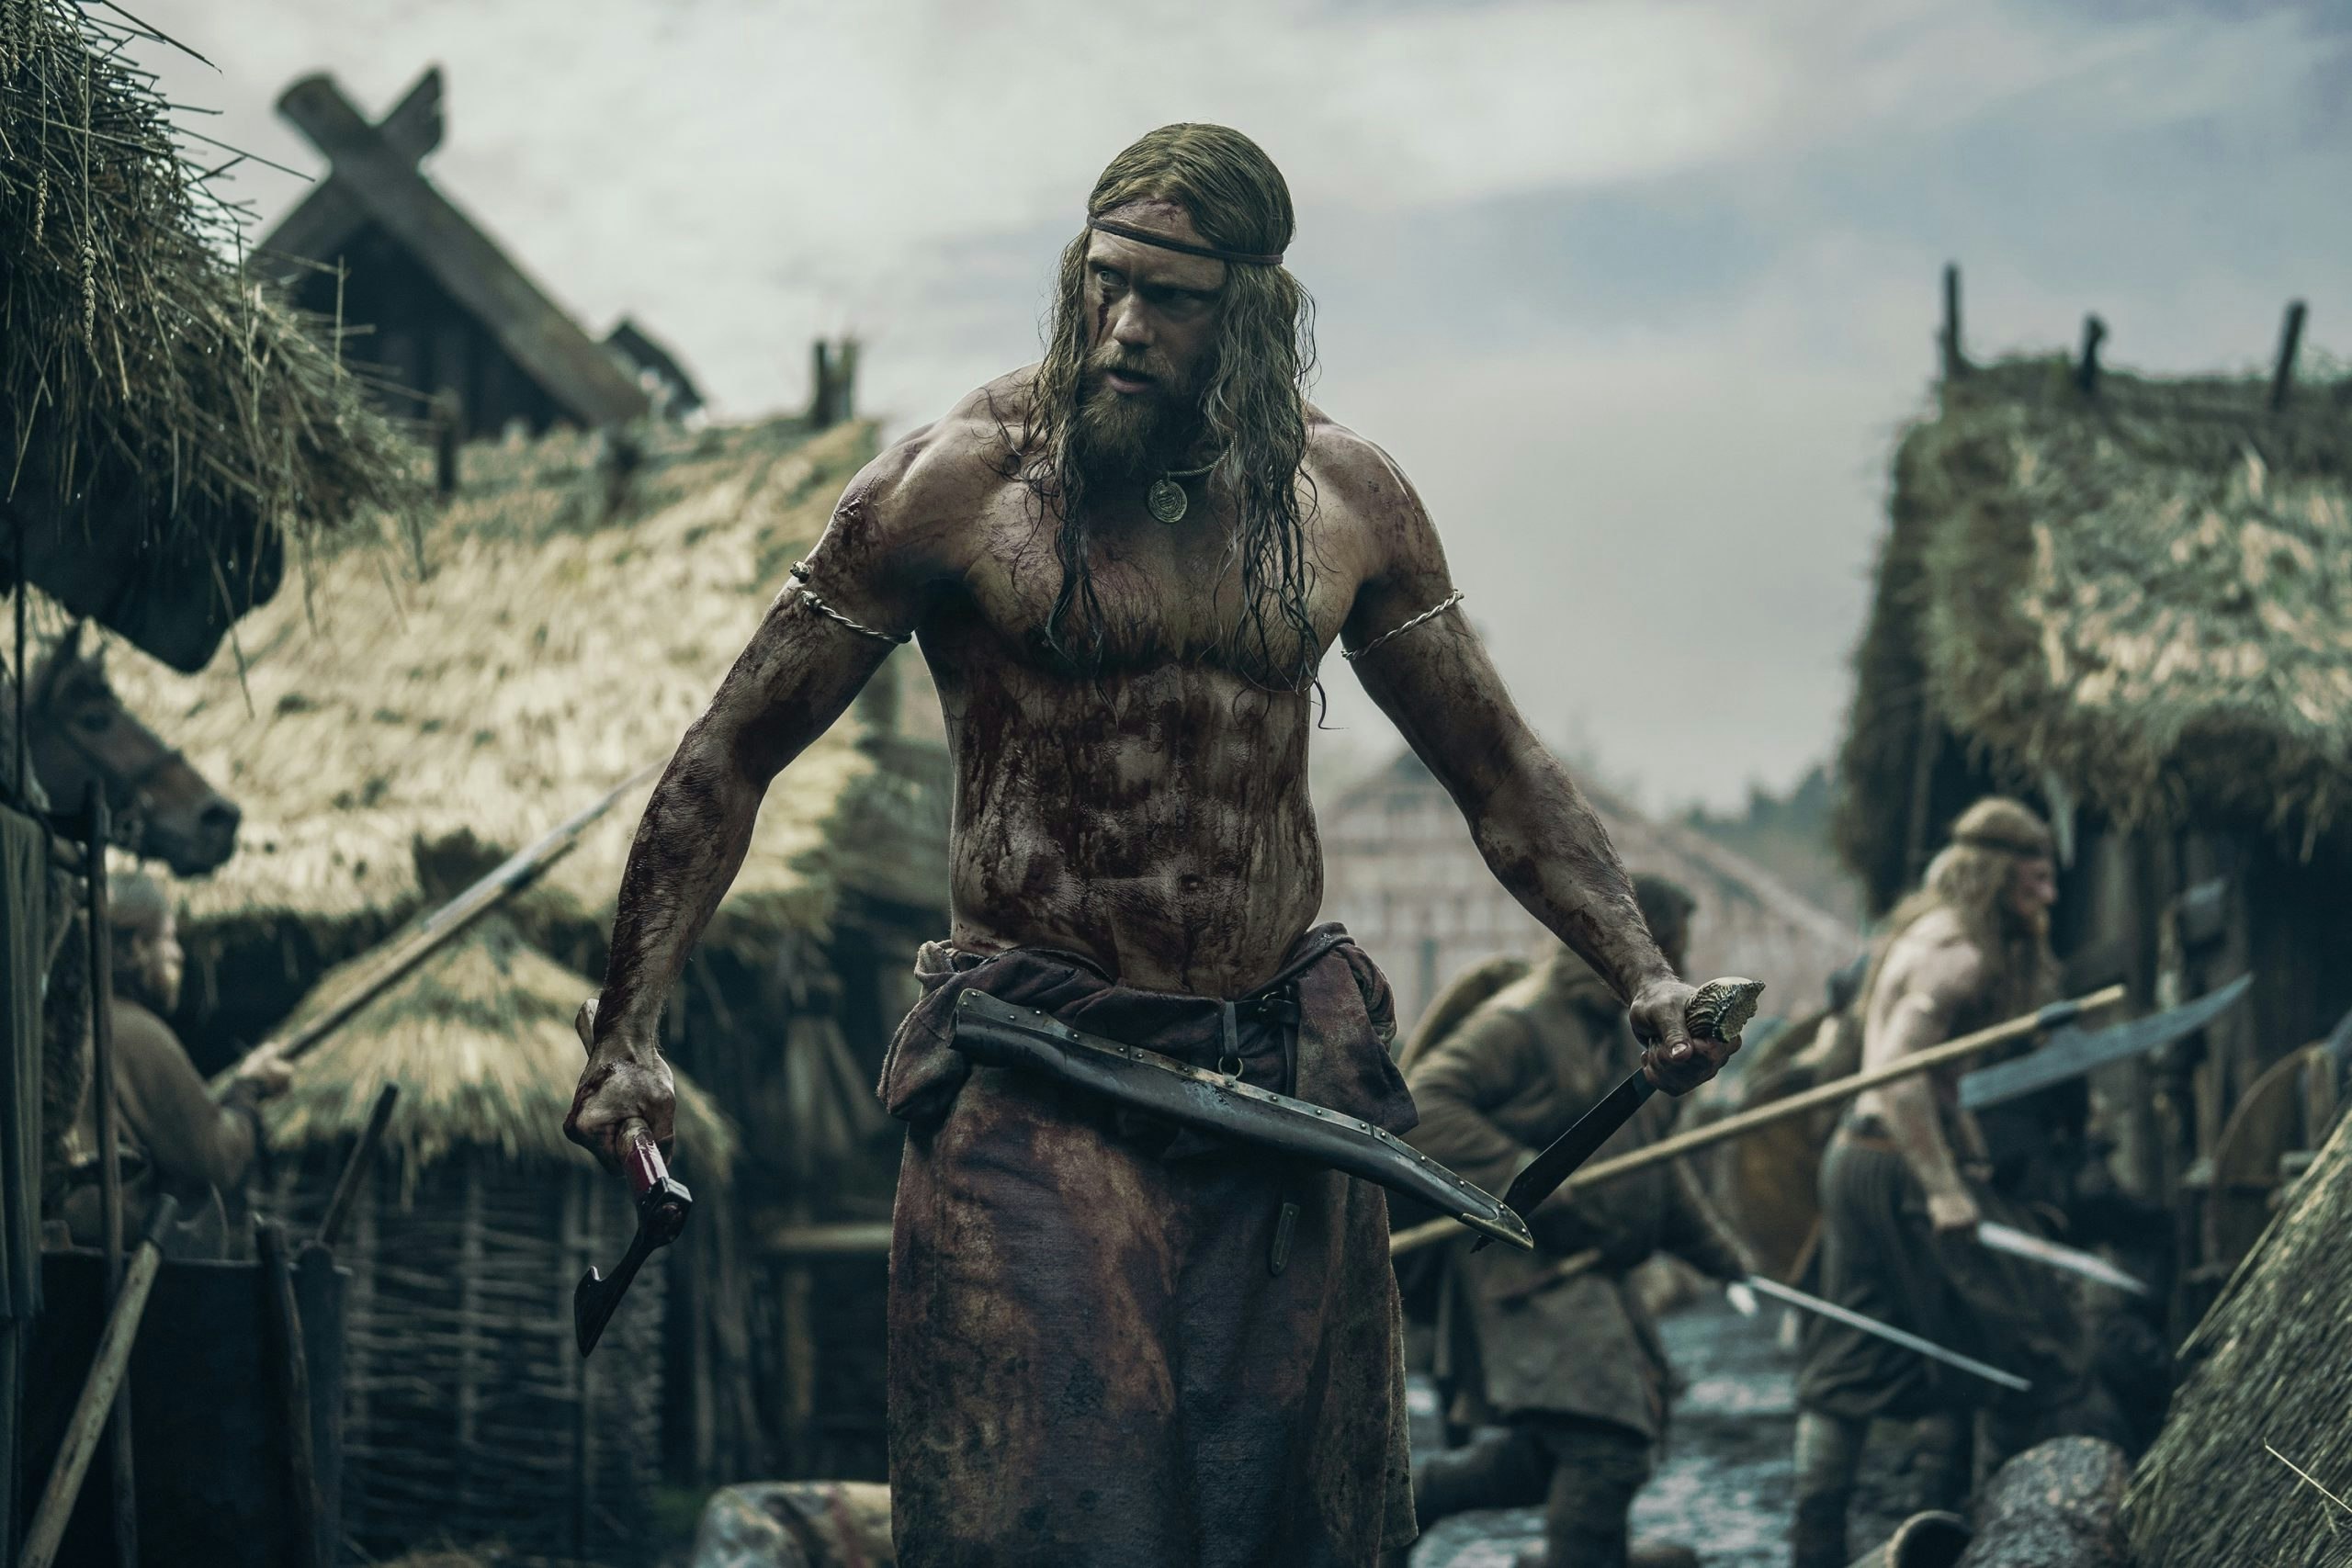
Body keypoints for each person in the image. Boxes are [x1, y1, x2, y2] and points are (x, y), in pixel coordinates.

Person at [566, 123, 1740, 1568]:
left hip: (1275, 1079)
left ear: (1252, 313)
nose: (1124, 325)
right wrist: (626, 1028)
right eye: (1105, 280)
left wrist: (1642, 971)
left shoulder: (1346, 500)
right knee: (1049, 1517)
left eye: (1170, 297)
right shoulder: (954, 486)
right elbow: (730, 752)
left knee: (1296, 1521)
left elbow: (1499, 772)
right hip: (1042, 1068)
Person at [1788, 797, 2109, 1568]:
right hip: (1897, 1165)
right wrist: (1943, 1186)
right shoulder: (1960, 954)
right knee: (2031, 1337)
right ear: (1996, 873)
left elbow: (1929, 1082)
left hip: (1859, 1155)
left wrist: (1964, 1149)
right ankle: (2013, 1532)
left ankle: (1818, 1547)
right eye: (2035, 878)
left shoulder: (1925, 931)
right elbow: (1901, 1072)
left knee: (1853, 1356)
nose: (2049, 895)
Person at [1404, 874, 1752, 1568]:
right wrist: (1533, 1180)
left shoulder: (1625, 1033)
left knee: (1561, 1449)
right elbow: (1426, 1104)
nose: (1676, 971)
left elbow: (1653, 1164)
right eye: (1667, 952)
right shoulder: (1519, 1021)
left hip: (1592, 1277)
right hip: (1529, 1272)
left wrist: (1723, 1257)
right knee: (1603, 1446)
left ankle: (1410, 1503)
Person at [62, 873, 288, 1258]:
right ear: (136, 945)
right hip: (105, 1266)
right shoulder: (132, 1032)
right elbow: (215, 1156)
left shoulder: (73, 1024)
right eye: (169, 938)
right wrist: (249, 1090)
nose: (179, 954)